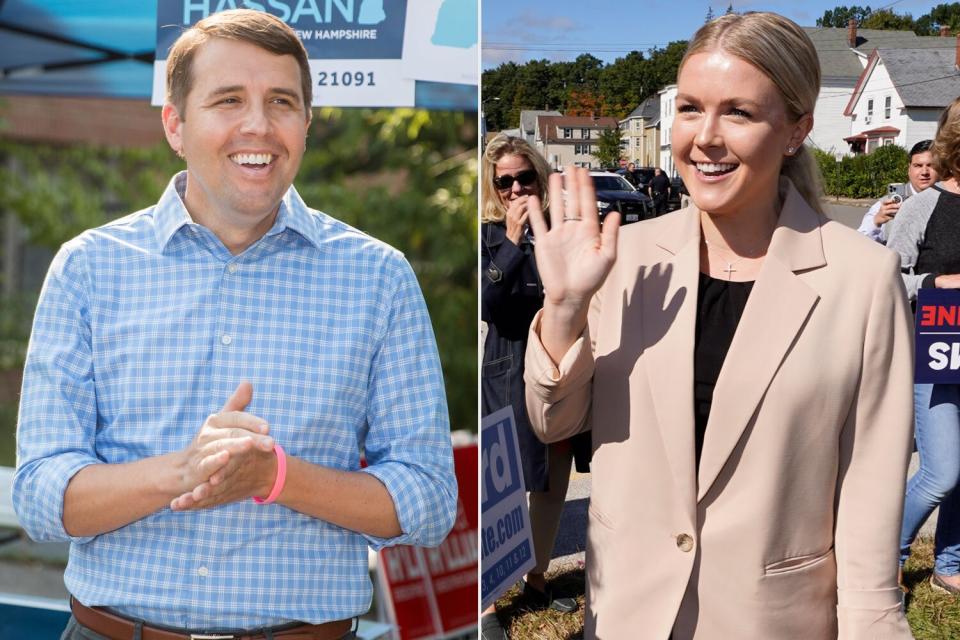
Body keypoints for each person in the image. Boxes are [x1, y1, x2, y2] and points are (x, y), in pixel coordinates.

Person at [13, 10, 457, 640]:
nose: (259, 125)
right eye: (228, 100)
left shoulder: (378, 278)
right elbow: (38, 496)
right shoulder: (89, 268)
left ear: (306, 123)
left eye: (281, 102)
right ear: (176, 123)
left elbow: (430, 503)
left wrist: (276, 477)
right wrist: (181, 472)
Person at [524, 12, 913, 639]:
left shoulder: (862, 279)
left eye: (738, 112)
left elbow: (870, 487)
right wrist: (566, 309)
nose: (704, 137)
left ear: (795, 130)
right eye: (689, 108)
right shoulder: (621, 259)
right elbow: (554, 423)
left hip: (769, 619)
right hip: (629, 610)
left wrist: (874, 625)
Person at [480, 134, 588, 640]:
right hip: (509, 373)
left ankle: (537, 575)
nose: (517, 188)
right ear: (494, 188)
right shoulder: (486, 239)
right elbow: (490, 305)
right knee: (500, 487)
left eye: (526, 177)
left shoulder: (565, 231)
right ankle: (483, 602)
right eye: (506, 181)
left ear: (542, 180)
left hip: (559, 371)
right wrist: (509, 238)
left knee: (552, 480)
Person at [886, 97, 960, 595]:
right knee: (942, 473)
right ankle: (883, 555)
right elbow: (888, 277)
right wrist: (939, 281)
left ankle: (948, 567)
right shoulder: (925, 205)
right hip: (939, 345)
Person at [856, 139, 937, 244]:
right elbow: (859, 242)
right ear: (909, 169)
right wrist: (876, 221)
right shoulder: (886, 204)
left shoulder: (950, 201)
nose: (924, 172)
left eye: (930, 166)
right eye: (918, 166)